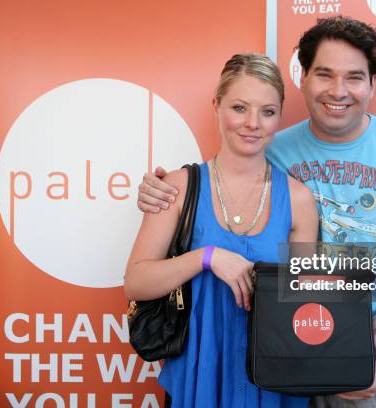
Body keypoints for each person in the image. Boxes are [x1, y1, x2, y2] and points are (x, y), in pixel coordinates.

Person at [136, 17, 376, 408]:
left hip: (374, 363)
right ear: (303, 78)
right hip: (281, 362)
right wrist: (159, 190)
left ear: (373, 83)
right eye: (324, 74)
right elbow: (220, 187)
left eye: (355, 77)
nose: (338, 91)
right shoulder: (270, 148)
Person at [125, 53, 318, 408]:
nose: (253, 123)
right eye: (240, 107)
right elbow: (136, 281)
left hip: (274, 379)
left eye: (268, 112)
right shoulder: (179, 187)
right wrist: (207, 257)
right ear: (217, 105)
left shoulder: (299, 199)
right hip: (199, 374)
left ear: (279, 116)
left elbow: (302, 301)